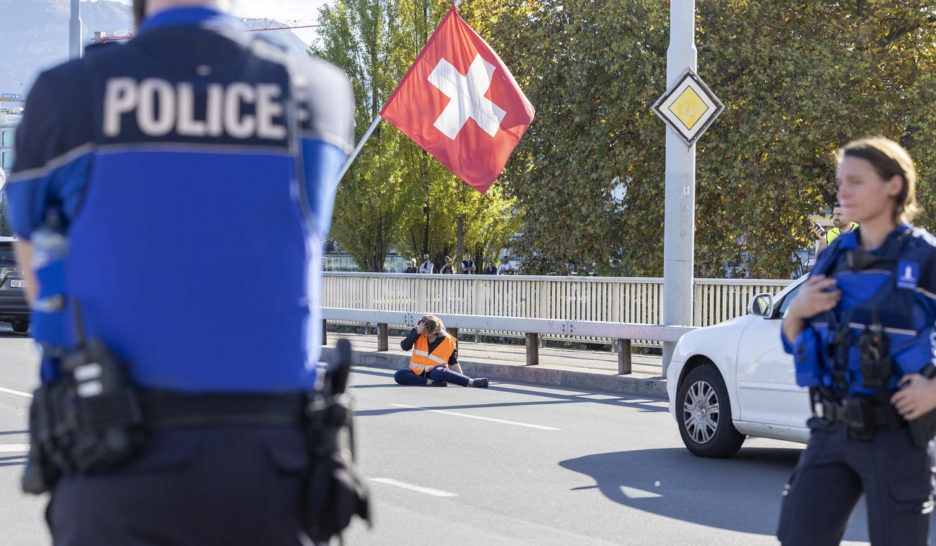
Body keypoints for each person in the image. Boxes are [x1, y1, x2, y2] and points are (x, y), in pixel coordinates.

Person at [4, 0, 367, 544]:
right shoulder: (318, 92)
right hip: (271, 479)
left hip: (112, 464)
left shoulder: (68, 94)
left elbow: (39, 273)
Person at [777, 137, 936, 545]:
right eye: (840, 181)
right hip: (830, 431)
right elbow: (792, 338)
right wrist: (797, 310)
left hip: (896, 433)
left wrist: (934, 388)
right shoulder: (834, 256)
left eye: (856, 181)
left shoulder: (925, 258)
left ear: (894, 186)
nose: (842, 191)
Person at [395, 315, 489, 388]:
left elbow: (453, 362)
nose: (426, 335)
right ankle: (431, 383)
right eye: (425, 332)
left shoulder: (447, 340)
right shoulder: (418, 333)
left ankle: (472, 382)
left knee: (439, 372)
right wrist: (416, 332)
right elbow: (404, 347)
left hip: (435, 372)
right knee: (399, 375)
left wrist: (461, 379)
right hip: (417, 373)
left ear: (436, 330)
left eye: (429, 333)